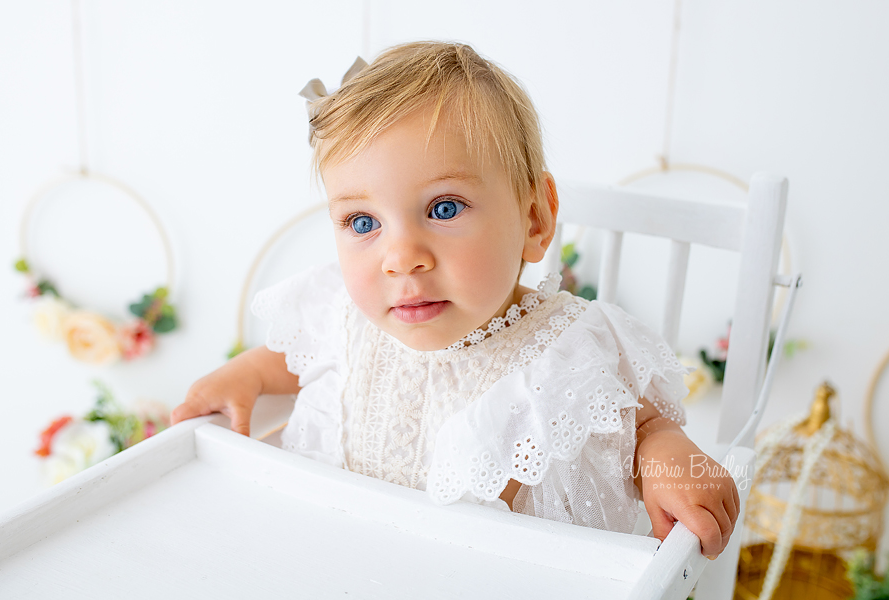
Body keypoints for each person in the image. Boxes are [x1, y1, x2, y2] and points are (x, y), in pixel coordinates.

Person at [171, 41, 739, 558]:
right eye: (362, 221)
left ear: (535, 218)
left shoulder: (564, 347)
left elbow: (643, 426)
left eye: (443, 208)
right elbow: (292, 361)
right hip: (338, 560)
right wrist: (243, 375)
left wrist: (668, 456)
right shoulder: (343, 315)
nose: (400, 257)